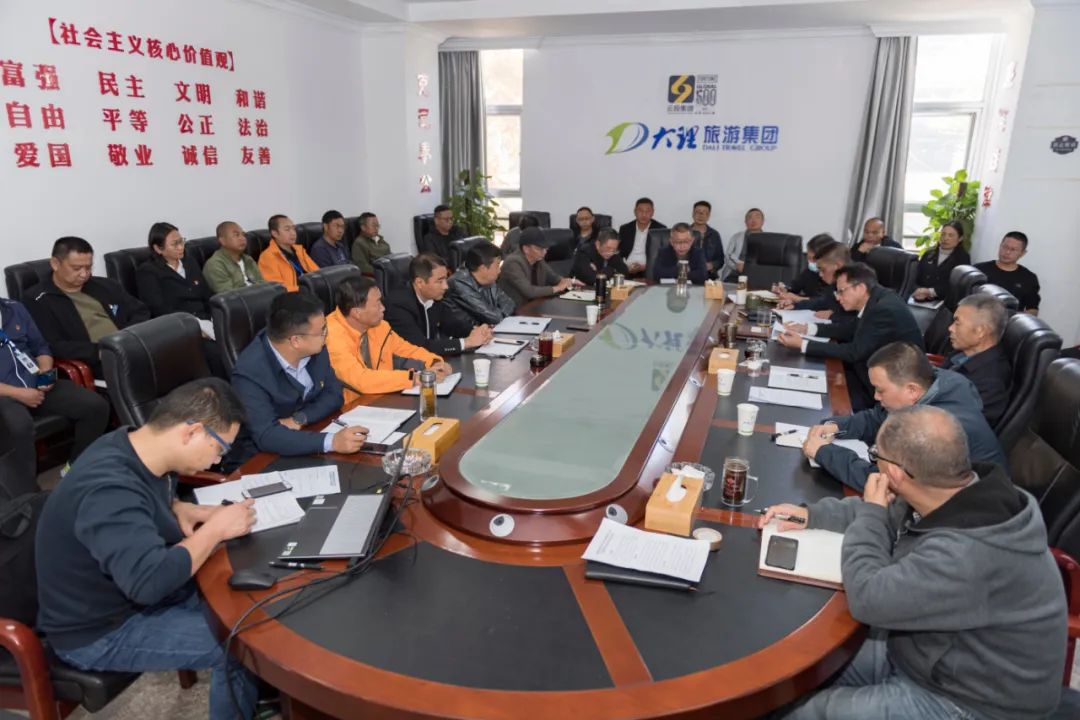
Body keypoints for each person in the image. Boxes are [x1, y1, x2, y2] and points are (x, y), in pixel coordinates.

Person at [766, 405, 1066, 720]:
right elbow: (890, 510)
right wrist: (814, 514)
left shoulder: (965, 552)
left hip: (971, 700)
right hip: (927, 651)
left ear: (894, 473)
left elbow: (867, 597)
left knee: (810, 713)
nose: (874, 463)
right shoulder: (954, 491)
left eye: (875, 455)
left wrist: (871, 514)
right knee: (796, 671)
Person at [35, 378, 264, 720]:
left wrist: (180, 508)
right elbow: (148, 583)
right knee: (241, 645)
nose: (218, 461)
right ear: (191, 432)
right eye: (220, 449)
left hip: (129, 595)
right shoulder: (108, 489)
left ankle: (256, 696)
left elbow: (144, 498)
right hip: (99, 631)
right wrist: (215, 529)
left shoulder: (134, 446)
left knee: (252, 603)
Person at [803, 341, 1005, 491]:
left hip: (966, 520)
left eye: (881, 390)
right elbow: (876, 418)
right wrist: (836, 427)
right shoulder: (931, 383)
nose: (875, 396)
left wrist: (825, 453)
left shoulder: (935, 428)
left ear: (911, 390)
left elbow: (887, 483)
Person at [228, 292, 367, 468]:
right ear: (296, 341)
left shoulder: (315, 347)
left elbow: (334, 394)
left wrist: (300, 418)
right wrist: (332, 442)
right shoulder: (250, 373)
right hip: (260, 460)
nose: (326, 335)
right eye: (322, 331)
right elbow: (267, 435)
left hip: (309, 434)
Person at [0, 298, 109, 498]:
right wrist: (18, 393)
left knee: (95, 406)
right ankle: (27, 494)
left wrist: (45, 373)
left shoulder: (14, 308)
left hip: (35, 383)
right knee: (18, 427)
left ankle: (76, 465)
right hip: (5, 394)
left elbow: (41, 347)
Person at [777, 263, 923, 411]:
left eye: (841, 291)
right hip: (866, 372)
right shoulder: (878, 298)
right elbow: (852, 328)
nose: (838, 298)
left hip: (881, 389)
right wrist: (808, 329)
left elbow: (854, 352)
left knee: (816, 398)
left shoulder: (883, 309)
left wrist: (803, 344)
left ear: (860, 288)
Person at [26, 236, 150, 378]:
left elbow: (140, 311)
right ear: (55, 264)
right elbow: (51, 344)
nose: (84, 274)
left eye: (88, 267)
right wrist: (99, 351)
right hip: (98, 361)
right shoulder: (37, 299)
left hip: (129, 348)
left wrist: (127, 337)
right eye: (76, 268)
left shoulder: (106, 285)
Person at [326, 275, 452, 401]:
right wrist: (414, 378)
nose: (383, 308)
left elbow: (406, 350)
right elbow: (361, 380)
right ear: (356, 312)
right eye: (377, 304)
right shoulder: (331, 336)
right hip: (350, 406)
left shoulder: (379, 326)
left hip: (380, 398)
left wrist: (434, 362)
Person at [385, 254, 492, 357]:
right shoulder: (398, 305)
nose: (446, 286)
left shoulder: (434, 297)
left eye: (445, 279)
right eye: (440, 281)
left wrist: (477, 331)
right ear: (419, 283)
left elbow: (453, 324)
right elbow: (419, 347)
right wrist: (467, 342)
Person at [943, 294, 1012, 426]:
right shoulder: (962, 354)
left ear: (981, 331)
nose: (950, 328)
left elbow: (958, 428)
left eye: (957, 322)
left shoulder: (990, 383)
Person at [135, 222, 213, 320]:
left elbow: (206, 294)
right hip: (180, 323)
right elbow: (158, 309)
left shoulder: (189, 262)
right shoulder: (148, 272)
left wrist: (215, 315)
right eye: (174, 244)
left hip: (206, 317)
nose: (181, 247)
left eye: (181, 241)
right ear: (158, 249)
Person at [445, 242, 518, 326]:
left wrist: (500, 315)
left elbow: (510, 303)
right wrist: (500, 315)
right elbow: (494, 318)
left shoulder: (488, 279)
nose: (499, 271)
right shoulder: (459, 283)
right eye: (497, 265)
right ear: (483, 268)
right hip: (464, 332)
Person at [498, 227, 573, 307]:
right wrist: (557, 288)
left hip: (535, 305)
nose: (544, 252)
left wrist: (569, 281)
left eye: (546, 248)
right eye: (539, 249)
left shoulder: (538, 260)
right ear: (526, 249)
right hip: (514, 309)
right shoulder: (512, 263)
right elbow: (529, 292)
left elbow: (554, 278)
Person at [975, 231, 1041, 315]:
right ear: (1000, 245)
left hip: (1009, 321)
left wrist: (1016, 319)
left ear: (1022, 253)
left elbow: (1032, 309)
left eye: (1013, 249)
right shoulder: (979, 269)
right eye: (1005, 247)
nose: (1007, 252)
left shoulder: (1029, 278)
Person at [912, 220, 970, 303]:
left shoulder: (963, 258)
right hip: (919, 299)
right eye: (943, 234)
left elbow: (958, 286)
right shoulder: (928, 254)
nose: (945, 238)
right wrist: (917, 290)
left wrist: (930, 292)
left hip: (945, 302)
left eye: (951, 235)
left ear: (960, 238)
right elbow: (915, 276)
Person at [257, 214, 319, 292]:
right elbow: (277, 289)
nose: (293, 233)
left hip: (310, 290)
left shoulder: (299, 250)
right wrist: (301, 289)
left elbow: (317, 272)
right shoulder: (267, 257)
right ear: (275, 233)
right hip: (292, 295)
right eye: (287, 229)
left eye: (293, 229)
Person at [202, 221, 264, 294]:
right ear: (223, 241)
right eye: (236, 235)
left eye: (243, 235)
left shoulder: (248, 259)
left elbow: (263, 284)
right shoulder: (215, 265)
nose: (243, 238)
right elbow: (229, 296)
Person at [776, 233, 835, 303]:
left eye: (814, 259)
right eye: (808, 257)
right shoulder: (810, 271)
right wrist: (785, 289)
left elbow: (824, 302)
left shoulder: (832, 276)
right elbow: (795, 287)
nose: (810, 262)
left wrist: (797, 299)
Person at [617, 197, 666, 276]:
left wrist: (645, 267)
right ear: (635, 211)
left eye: (647, 211)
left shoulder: (660, 229)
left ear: (653, 212)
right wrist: (624, 266)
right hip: (627, 268)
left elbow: (662, 256)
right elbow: (619, 252)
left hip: (649, 269)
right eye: (640, 211)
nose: (644, 214)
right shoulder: (625, 229)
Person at [722, 207, 764, 279]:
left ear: (762, 221)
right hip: (735, 274)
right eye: (750, 217)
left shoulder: (768, 239)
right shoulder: (736, 237)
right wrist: (736, 266)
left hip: (758, 275)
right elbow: (728, 256)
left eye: (757, 217)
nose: (753, 220)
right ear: (745, 222)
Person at [418, 205, 464, 270]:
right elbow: (435, 261)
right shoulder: (429, 238)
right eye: (446, 219)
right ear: (436, 221)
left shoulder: (457, 231)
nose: (450, 221)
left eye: (451, 218)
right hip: (446, 270)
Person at [690, 200, 723, 278]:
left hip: (708, 275)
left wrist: (712, 265)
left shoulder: (714, 234)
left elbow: (720, 259)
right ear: (693, 214)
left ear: (708, 216)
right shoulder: (684, 233)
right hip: (688, 273)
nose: (701, 215)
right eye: (698, 212)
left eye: (704, 213)